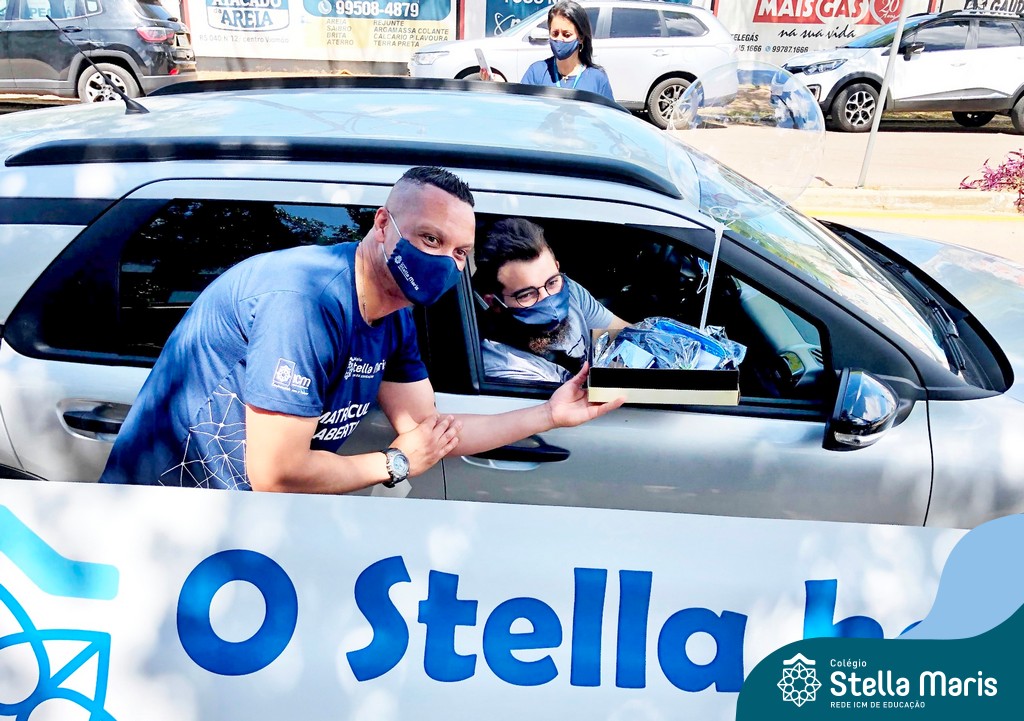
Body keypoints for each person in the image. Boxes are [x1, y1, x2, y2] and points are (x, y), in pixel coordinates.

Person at [100, 167, 623, 492]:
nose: (445, 259)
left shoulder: (393, 314)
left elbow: (428, 430)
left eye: (459, 251)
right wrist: (393, 463)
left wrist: (549, 415)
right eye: (430, 238)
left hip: (237, 525)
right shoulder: (306, 301)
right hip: (170, 517)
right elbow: (277, 472)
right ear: (382, 224)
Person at [474, 217, 628, 384]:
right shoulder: (503, 364)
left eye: (552, 282)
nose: (550, 303)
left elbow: (627, 338)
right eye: (527, 295)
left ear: (557, 266)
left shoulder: (568, 290)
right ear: (495, 303)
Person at [519, 0, 614, 102]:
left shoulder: (597, 79)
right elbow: (523, 107)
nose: (559, 39)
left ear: (581, 37)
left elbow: (607, 111)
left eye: (566, 35)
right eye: (555, 34)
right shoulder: (536, 72)